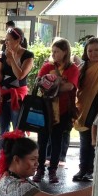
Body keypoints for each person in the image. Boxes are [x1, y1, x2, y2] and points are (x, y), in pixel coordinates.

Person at [34, 38, 80, 184]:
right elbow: (40, 83)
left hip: (63, 110)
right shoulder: (47, 66)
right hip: (45, 110)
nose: (53, 54)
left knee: (56, 141)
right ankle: (39, 169)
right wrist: (58, 84)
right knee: (41, 141)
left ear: (65, 52)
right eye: (52, 51)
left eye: (56, 51)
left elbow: (70, 87)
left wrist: (53, 84)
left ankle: (52, 170)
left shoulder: (72, 68)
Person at [72, 37, 98, 182]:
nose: (93, 53)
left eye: (97, 50)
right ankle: (83, 168)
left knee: (92, 139)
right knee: (84, 140)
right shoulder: (83, 67)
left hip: (97, 105)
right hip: (83, 105)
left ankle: (91, 169)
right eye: (90, 50)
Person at [0, 26, 35, 136]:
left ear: (18, 40)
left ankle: (18, 152)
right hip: (3, 96)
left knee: (18, 128)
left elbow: (20, 75)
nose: (6, 42)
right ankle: (4, 152)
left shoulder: (28, 55)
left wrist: (11, 59)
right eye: (5, 40)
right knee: (3, 130)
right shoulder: (3, 54)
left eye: (9, 40)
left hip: (18, 97)